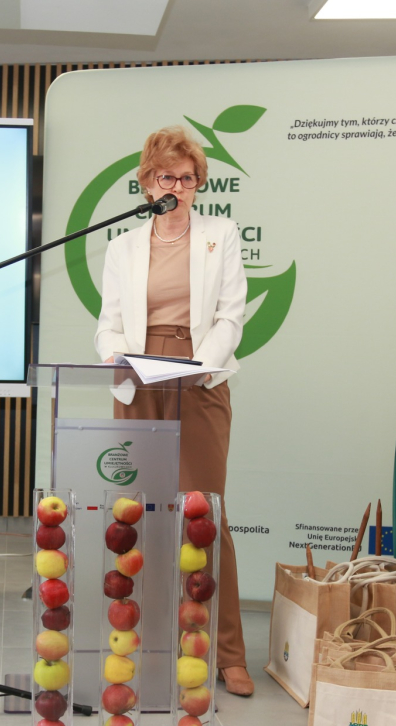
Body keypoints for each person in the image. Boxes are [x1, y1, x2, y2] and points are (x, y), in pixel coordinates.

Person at [93, 126, 252, 696]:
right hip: (138, 379)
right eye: (167, 177)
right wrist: (116, 356)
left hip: (200, 374)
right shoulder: (123, 246)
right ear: (147, 183)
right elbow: (109, 323)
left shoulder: (221, 234)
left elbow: (231, 315)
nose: (177, 188)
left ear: (198, 184)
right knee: (137, 515)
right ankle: (145, 642)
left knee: (205, 513)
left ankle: (227, 653)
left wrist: (202, 365)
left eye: (188, 179)